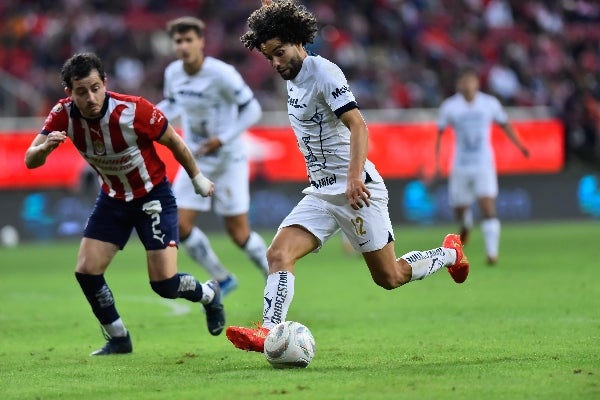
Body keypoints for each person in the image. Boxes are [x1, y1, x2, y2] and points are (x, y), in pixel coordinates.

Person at [225, 0, 470, 353]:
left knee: (390, 277)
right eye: (269, 57)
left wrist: (355, 177)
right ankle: (267, 330)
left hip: (358, 190)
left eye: (279, 53)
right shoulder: (292, 76)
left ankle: (449, 252)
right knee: (278, 254)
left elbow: (358, 125)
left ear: (297, 41)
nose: (276, 63)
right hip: (322, 193)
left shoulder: (324, 73)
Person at [24, 52, 225, 355]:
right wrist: (45, 149)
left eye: (95, 88)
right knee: (87, 272)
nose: (90, 97)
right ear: (70, 93)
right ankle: (118, 337)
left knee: (165, 285)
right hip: (113, 200)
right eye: (81, 91)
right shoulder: (62, 115)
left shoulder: (135, 110)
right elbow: (30, 160)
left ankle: (209, 294)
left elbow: (174, 142)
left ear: (104, 83)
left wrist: (197, 178)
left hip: (153, 198)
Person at [158, 16, 269, 296]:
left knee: (239, 233)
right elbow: (172, 105)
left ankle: (276, 276)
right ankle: (222, 277)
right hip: (195, 160)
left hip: (228, 159)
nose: (183, 46)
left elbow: (252, 109)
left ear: (201, 42)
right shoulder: (173, 73)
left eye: (188, 40)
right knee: (177, 224)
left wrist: (222, 139)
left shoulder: (221, 74)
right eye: (178, 41)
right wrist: (143, 120)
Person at [435, 67, 530, 265]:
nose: (468, 85)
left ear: (477, 83)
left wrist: (521, 145)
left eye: (471, 81)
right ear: (458, 85)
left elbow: (505, 124)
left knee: (488, 206)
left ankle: (492, 253)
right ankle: (466, 223)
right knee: (459, 208)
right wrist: (437, 162)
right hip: (460, 165)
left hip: (483, 163)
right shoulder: (450, 107)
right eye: (464, 81)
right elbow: (440, 134)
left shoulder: (490, 104)